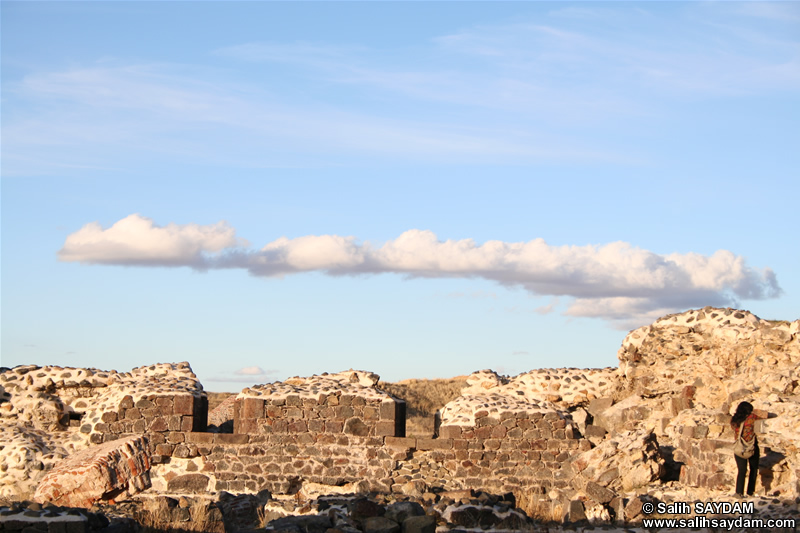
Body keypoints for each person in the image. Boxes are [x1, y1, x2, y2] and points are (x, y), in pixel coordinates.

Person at [730, 401, 767, 497]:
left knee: (741, 471)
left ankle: (739, 492)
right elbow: (764, 418)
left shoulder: (734, 419)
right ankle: (750, 492)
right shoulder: (752, 418)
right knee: (753, 469)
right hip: (751, 447)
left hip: (739, 448)